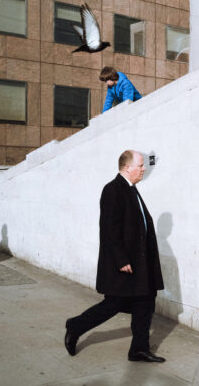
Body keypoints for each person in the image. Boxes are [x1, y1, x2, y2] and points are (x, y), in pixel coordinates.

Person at [64, 150, 166, 362]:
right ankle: (76, 325)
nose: (144, 168)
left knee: (145, 302)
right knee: (114, 303)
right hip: (126, 263)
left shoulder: (131, 189)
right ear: (127, 167)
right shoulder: (113, 190)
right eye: (140, 165)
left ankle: (139, 348)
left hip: (140, 262)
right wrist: (121, 260)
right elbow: (109, 230)